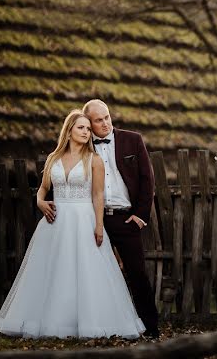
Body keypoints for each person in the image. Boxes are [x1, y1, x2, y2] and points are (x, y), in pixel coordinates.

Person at [0, 110, 146, 339]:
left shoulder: (93, 160)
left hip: (83, 218)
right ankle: (51, 322)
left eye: (87, 128)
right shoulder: (53, 158)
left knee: (86, 272)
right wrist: (39, 202)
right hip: (55, 222)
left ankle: (89, 323)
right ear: (69, 131)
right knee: (52, 271)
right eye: (81, 128)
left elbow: (97, 195)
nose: (86, 132)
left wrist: (98, 225)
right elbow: (43, 188)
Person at [82, 99, 160, 338]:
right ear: (88, 123)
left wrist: (140, 215)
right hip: (93, 220)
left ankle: (151, 328)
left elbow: (148, 180)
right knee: (93, 274)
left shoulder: (132, 140)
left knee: (137, 273)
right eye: (98, 120)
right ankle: (99, 327)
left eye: (107, 117)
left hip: (126, 218)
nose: (105, 123)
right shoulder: (82, 145)